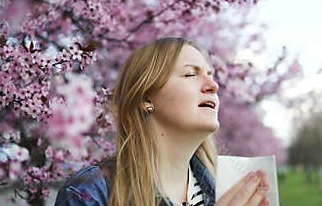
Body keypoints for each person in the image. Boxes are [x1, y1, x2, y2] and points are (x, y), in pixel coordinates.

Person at [55, 37, 270, 206]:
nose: (213, 85)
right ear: (146, 98)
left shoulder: (228, 191)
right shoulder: (90, 194)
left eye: (210, 75)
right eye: (190, 74)